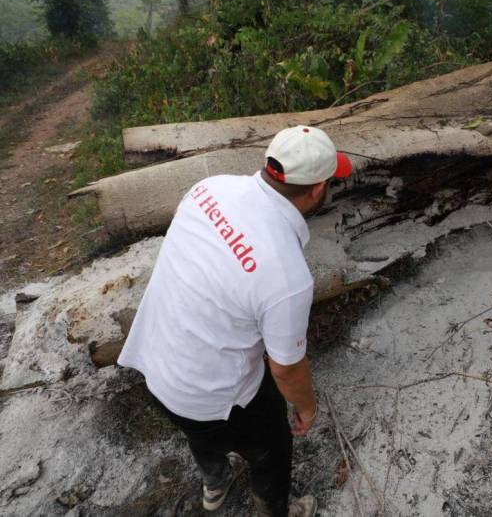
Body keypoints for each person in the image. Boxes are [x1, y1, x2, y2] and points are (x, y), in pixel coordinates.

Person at [118, 125, 353, 516]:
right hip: (210, 394)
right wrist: (306, 407)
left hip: (155, 367)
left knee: (199, 432)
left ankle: (216, 481)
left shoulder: (210, 187)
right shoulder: (286, 275)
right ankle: (274, 510)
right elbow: (286, 368)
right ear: (316, 189)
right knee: (270, 447)